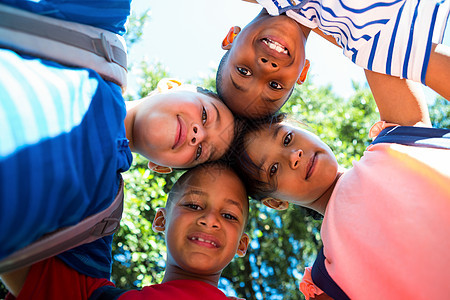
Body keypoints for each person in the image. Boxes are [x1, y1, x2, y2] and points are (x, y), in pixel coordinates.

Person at [0, 0, 235, 284]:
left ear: (161, 167)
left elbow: (60, 289)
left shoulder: (101, 217)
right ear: (171, 86)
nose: (199, 134)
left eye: (200, 152)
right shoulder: (97, 32)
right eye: (206, 114)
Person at [230, 84, 450, 298]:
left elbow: (376, 50)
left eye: (287, 138)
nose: (293, 156)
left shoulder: (397, 138)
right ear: (275, 203)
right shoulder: (326, 281)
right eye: (274, 169)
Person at [2, 162, 250, 300]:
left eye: (228, 215)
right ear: (161, 220)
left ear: (242, 244)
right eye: (193, 205)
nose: (209, 220)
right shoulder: (94, 296)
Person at [216, 0, 450, 118]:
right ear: (303, 72)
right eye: (275, 85)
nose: (266, 67)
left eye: (243, 71)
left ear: (231, 37)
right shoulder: (368, 43)